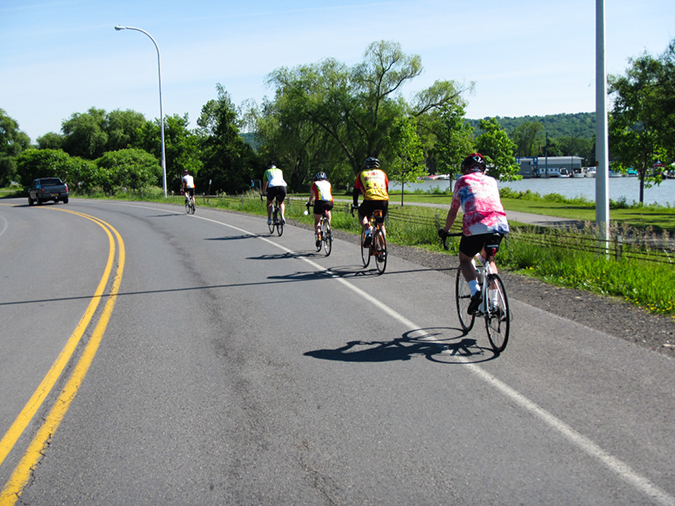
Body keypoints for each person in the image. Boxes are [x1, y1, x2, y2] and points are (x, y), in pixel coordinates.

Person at [440, 153, 509, 314]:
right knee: (489, 260)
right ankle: (494, 304)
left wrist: (446, 231)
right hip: (498, 225)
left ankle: (475, 292)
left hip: (475, 227)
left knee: (465, 259)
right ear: (482, 169)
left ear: (465, 169)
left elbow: (453, 212)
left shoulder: (461, 181)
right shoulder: (492, 180)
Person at [353, 157, 389, 247]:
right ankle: (383, 250)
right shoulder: (382, 173)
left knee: (362, 215)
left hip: (370, 200)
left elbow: (356, 191)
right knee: (381, 225)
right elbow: (386, 188)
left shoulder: (361, 174)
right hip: (383, 200)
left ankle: (368, 232)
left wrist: (355, 204)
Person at [307, 171, 334, 247]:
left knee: (317, 221)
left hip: (319, 202)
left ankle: (319, 237)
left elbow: (312, 196)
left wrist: (309, 203)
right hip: (329, 202)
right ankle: (328, 226)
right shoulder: (329, 184)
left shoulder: (315, 183)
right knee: (328, 211)